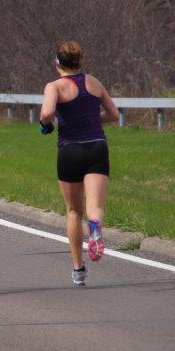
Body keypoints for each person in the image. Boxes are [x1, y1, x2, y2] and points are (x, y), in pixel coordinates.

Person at [39, 41, 119, 286]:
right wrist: (92, 122)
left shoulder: (55, 86)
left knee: (74, 211)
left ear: (57, 64)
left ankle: (78, 269)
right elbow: (114, 116)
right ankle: (94, 226)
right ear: (79, 61)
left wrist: (46, 125)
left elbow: (46, 113)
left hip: (70, 149)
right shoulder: (94, 82)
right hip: (97, 146)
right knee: (94, 208)